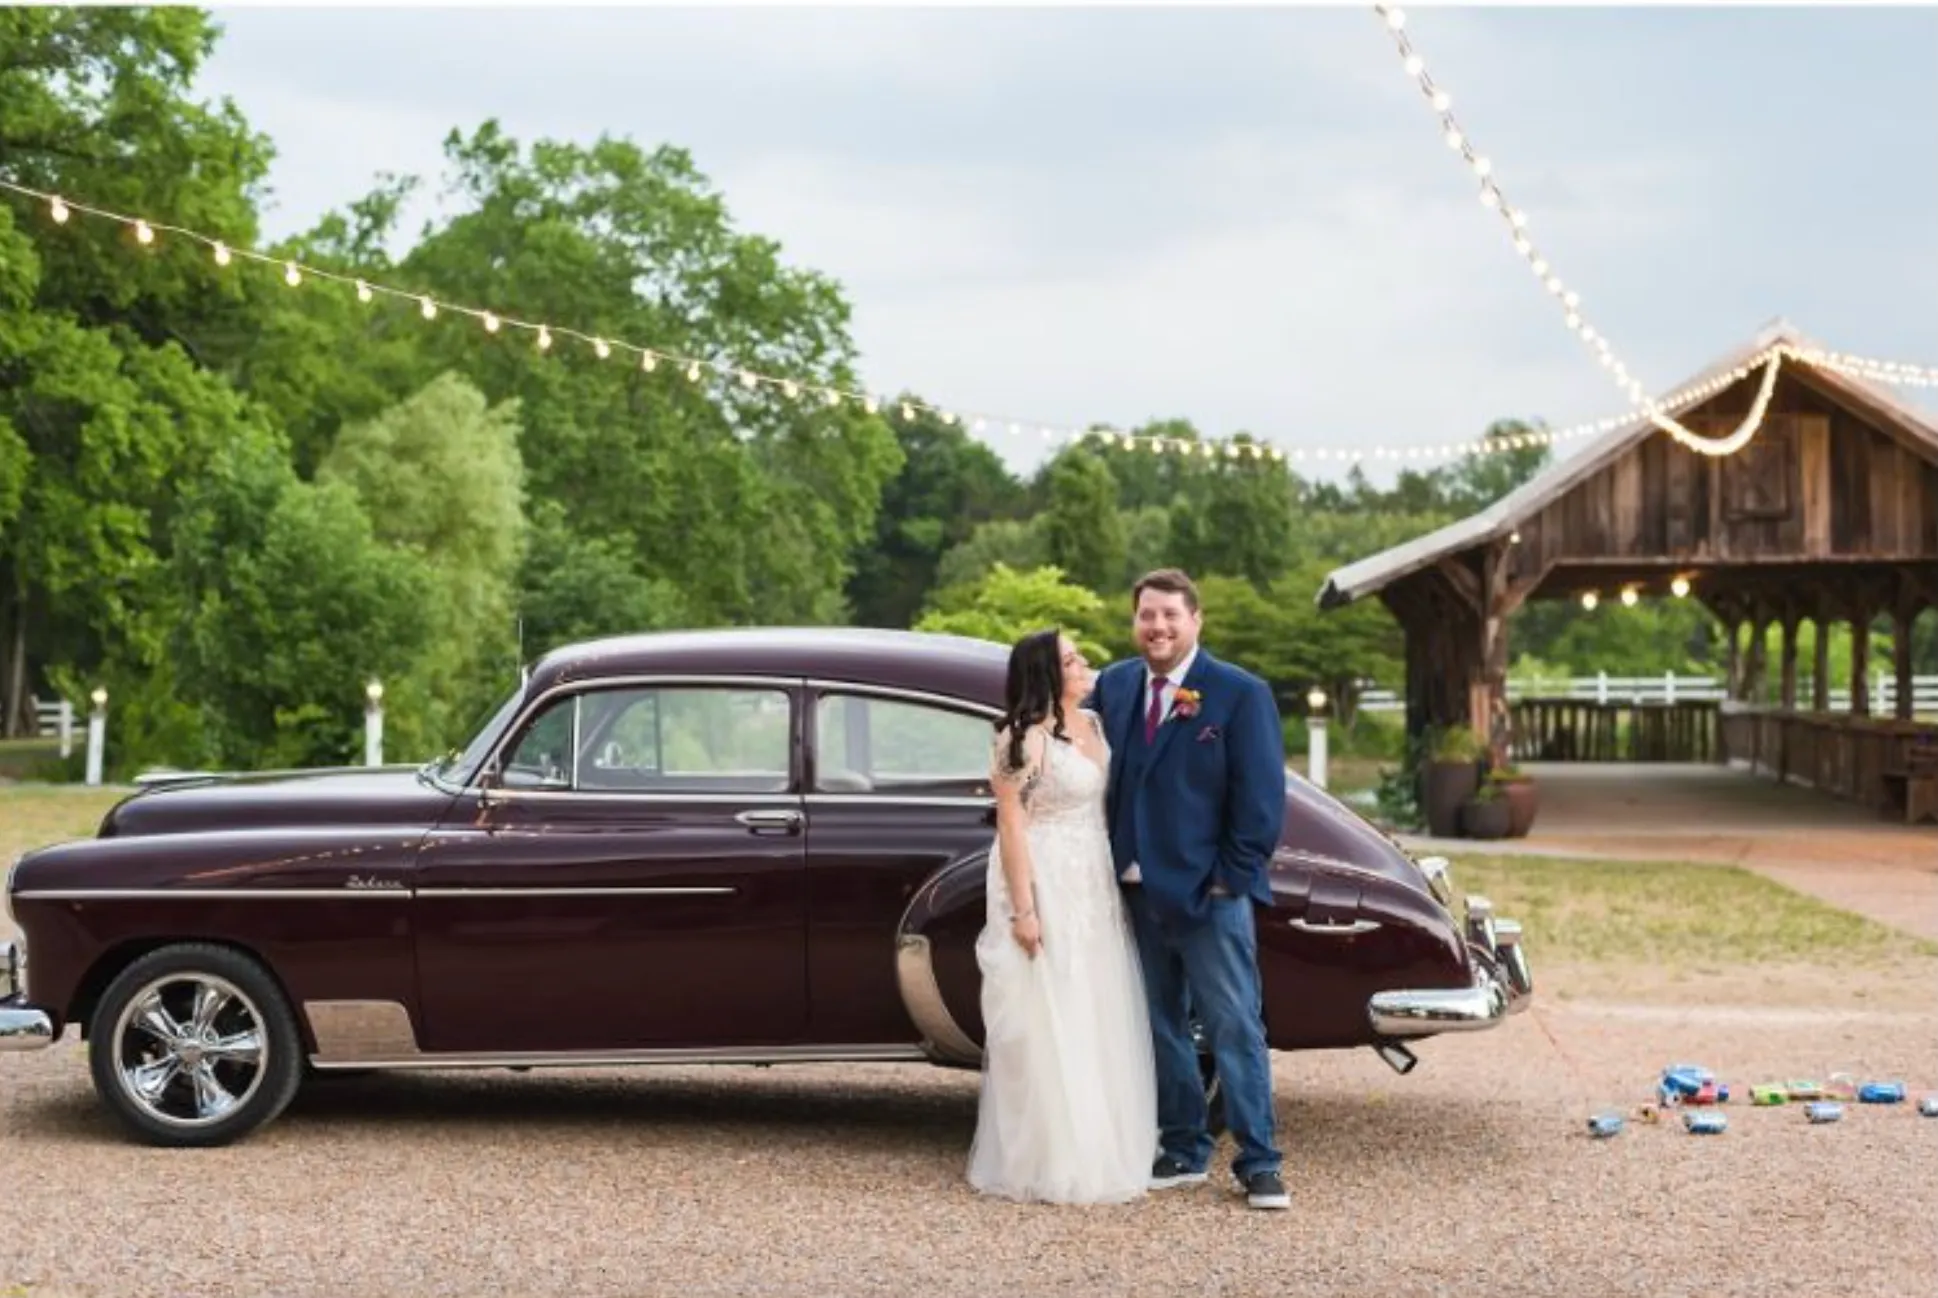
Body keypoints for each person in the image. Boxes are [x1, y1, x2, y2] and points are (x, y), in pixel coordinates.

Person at [1091, 568, 1290, 1210]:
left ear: (1195, 620)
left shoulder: (1239, 694)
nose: (1158, 627)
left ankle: (1260, 1162)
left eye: (1170, 615)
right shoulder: (1115, 686)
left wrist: (1230, 881)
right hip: (1133, 892)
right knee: (1158, 1025)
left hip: (1211, 898)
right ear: (1135, 621)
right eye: (1147, 615)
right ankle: (1182, 1147)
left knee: (1235, 1026)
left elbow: (1260, 804)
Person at [966, 628, 1158, 1205]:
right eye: (1072, 660)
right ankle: (1050, 1158)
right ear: (1048, 674)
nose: (1084, 665)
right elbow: (1011, 825)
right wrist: (1024, 910)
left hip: (1092, 877)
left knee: (1096, 1000)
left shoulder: (1095, 726)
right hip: (1045, 877)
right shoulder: (1018, 739)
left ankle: (1104, 1144)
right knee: (1049, 1007)